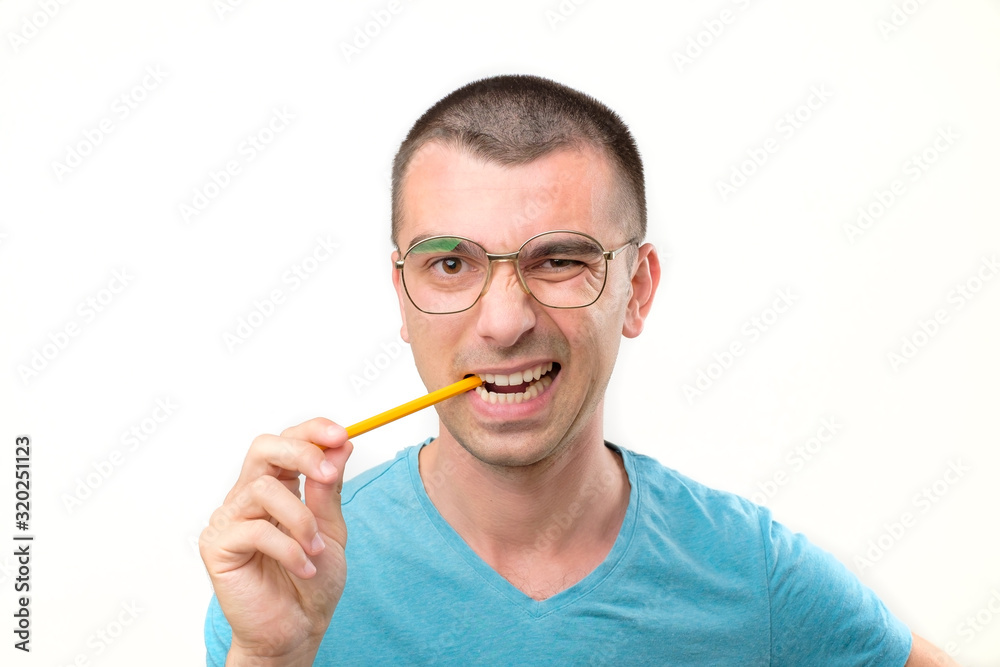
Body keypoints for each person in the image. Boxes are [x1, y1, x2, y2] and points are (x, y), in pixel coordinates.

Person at [201, 75, 956, 665]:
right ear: (402, 294)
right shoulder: (291, 572)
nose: (504, 320)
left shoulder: (753, 575)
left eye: (559, 260)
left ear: (639, 289)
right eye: (451, 263)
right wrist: (271, 658)